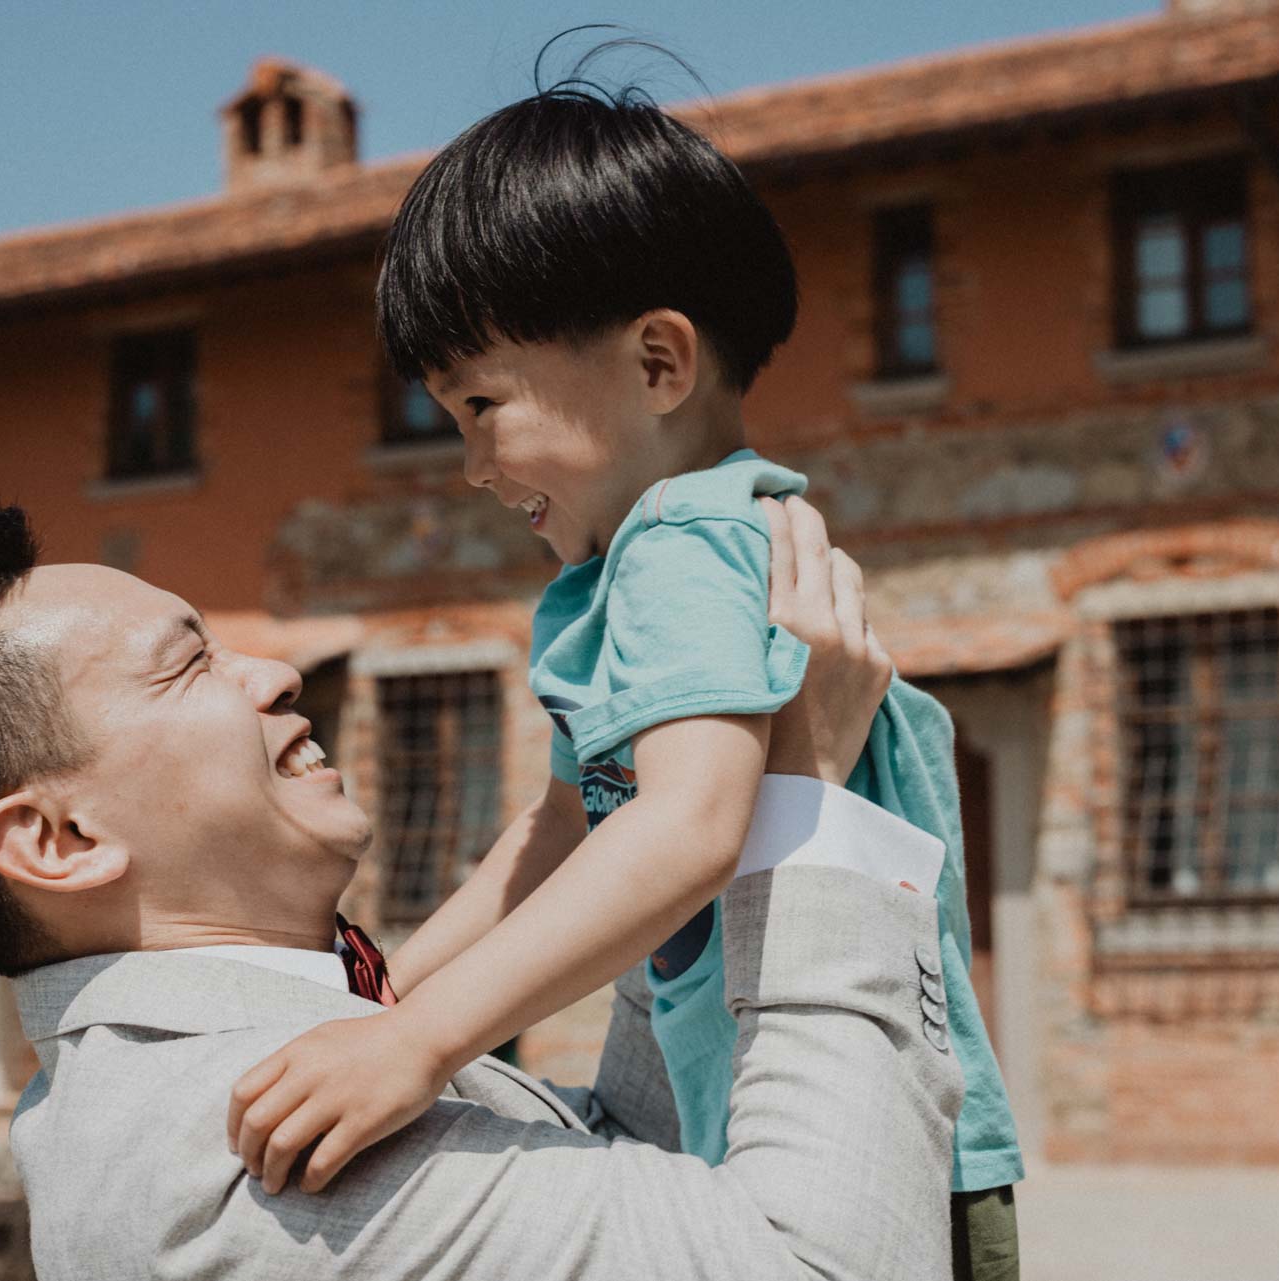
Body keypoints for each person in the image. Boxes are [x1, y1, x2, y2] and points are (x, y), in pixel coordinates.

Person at [233, 80, 1023, 1279]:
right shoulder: (616, 576)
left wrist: (421, 1046)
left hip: (872, 1146)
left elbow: (689, 823)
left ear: (658, 363)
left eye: (482, 406)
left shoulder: (685, 543)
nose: (469, 467)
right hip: (746, 1114)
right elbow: (560, 824)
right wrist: (380, 997)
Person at [0, 503, 961, 1279]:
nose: (278, 672)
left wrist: (666, 814)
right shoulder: (232, 1150)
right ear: (58, 838)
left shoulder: (285, 1052)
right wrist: (809, 803)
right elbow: (825, 1264)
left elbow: (617, 1186)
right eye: (190, 665)